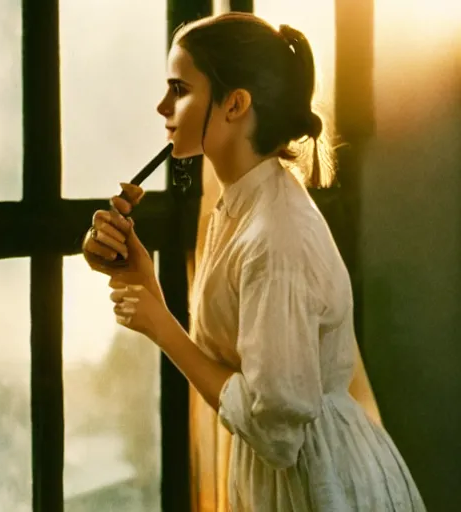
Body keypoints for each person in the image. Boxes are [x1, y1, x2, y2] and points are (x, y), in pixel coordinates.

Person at [82, 12, 426, 512]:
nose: (162, 106)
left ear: (235, 104)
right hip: (283, 479)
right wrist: (145, 282)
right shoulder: (242, 204)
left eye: (179, 89)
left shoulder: (273, 237)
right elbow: (232, 368)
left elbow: (276, 433)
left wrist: (162, 328)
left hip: (319, 483)